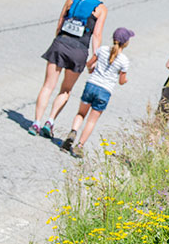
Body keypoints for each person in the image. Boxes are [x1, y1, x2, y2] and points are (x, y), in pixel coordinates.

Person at [29, 0, 107, 138]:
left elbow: (60, 23)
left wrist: (58, 40)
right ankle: (50, 121)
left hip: (60, 44)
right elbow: (97, 35)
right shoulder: (100, 9)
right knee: (65, 90)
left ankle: (36, 122)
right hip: (79, 51)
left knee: (48, 86)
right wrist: (95, 57)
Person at [54, 27, 133, 158]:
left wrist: (91, 69)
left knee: (81, 113)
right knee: (91, 121)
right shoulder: (124, 61)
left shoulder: (101, 50)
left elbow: (89, 64)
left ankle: (73, 132)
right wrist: (125, 80)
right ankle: (79, 146)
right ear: (125, 43)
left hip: (91, 85)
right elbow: (121, 81)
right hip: (105, 91)